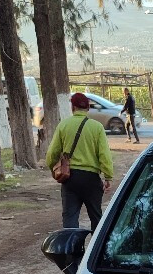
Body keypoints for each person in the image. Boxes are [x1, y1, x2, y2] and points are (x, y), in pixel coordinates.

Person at [46, 92, 114, 231]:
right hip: (91, 179)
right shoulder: (97, 127)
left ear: (73, 107)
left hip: (70, 179)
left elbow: (52, 153)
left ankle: (72, 251)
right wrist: (108, 176)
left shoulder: (63, 125)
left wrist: (54, 169)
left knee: (70, 218)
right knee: (96, 217)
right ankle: (97, 250)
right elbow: (104, 155)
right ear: (88, 108)